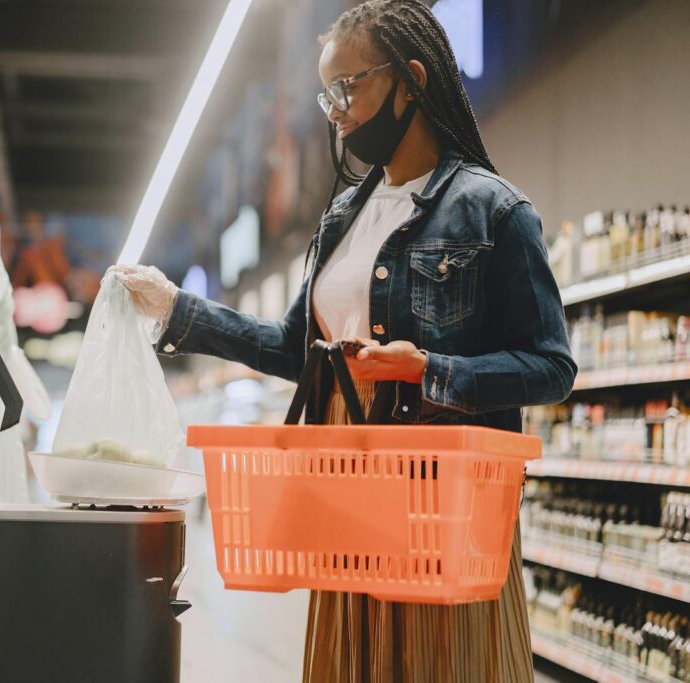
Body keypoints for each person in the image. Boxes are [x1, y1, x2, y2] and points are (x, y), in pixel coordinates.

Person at [113, 0, 575, 681]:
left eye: (347, 87)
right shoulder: (341, 219)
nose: (333, 110)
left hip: (440, 513)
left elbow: (552, 366)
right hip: (349, 508)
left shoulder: (495, 211)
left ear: (410, 79)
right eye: (325, 93)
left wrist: (429, 369)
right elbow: (292, 349)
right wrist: (178, 308)